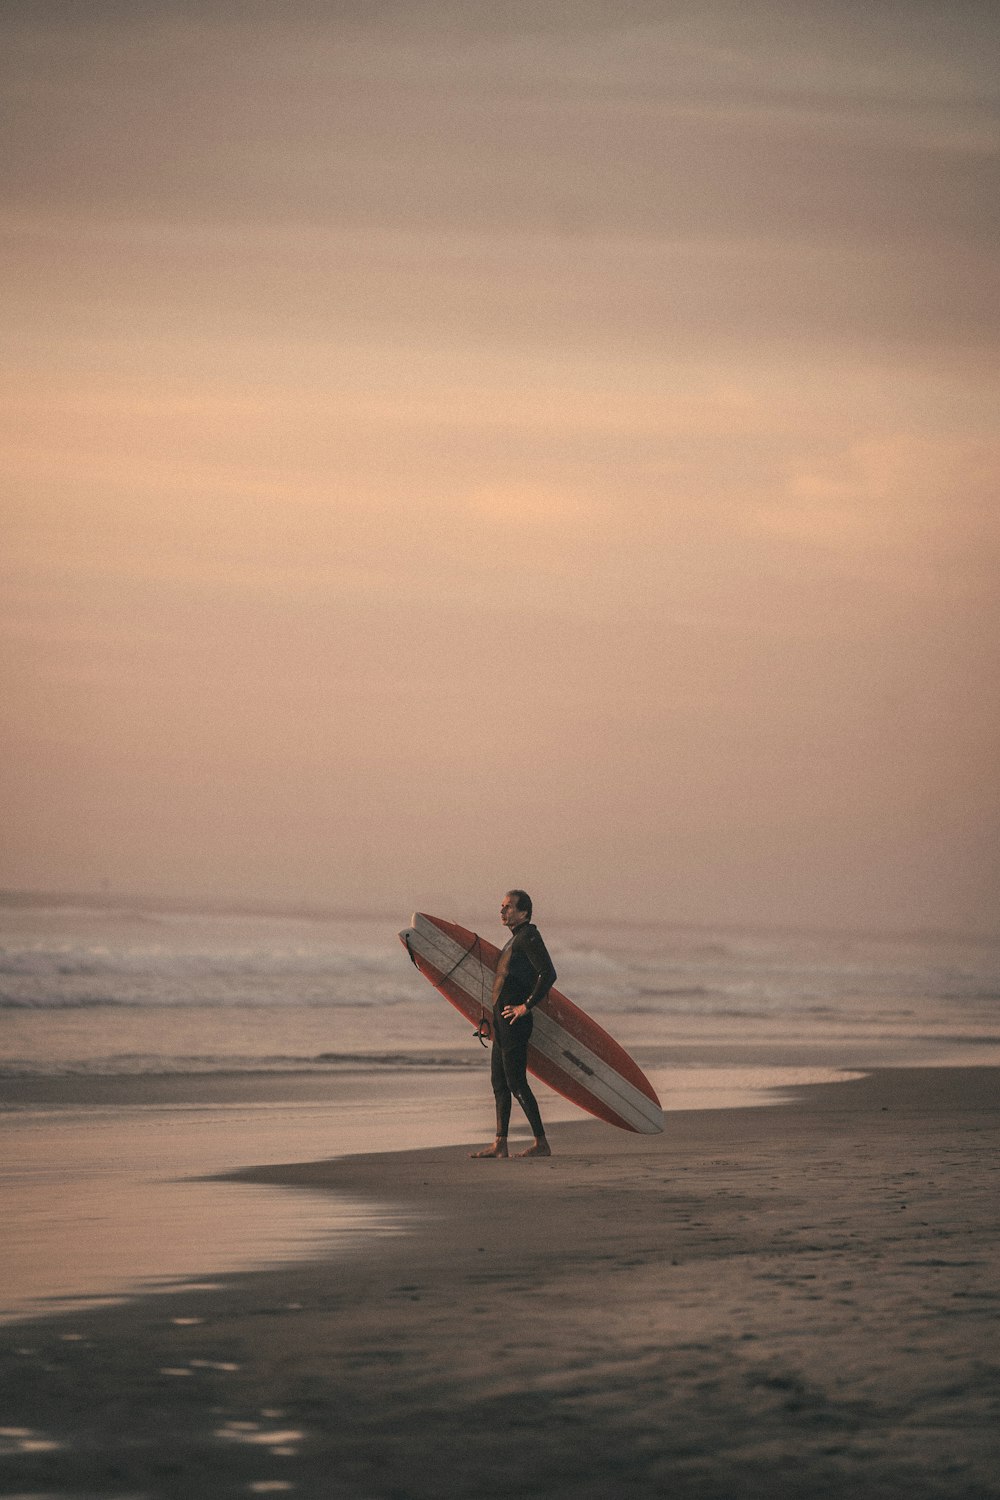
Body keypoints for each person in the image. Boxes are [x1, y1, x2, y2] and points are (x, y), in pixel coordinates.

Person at [470, 889, 556, 1159]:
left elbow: (549, 974)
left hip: (514, 1024)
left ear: (524, 913)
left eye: (508, 907)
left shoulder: (529, 936)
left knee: (516, 1082)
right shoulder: (514, 940)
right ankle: (500, 1143)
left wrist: (525, 1006)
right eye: (502, 906)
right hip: (501, 1023)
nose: (502, 911)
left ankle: (541, 1143)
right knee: (499, 1082)